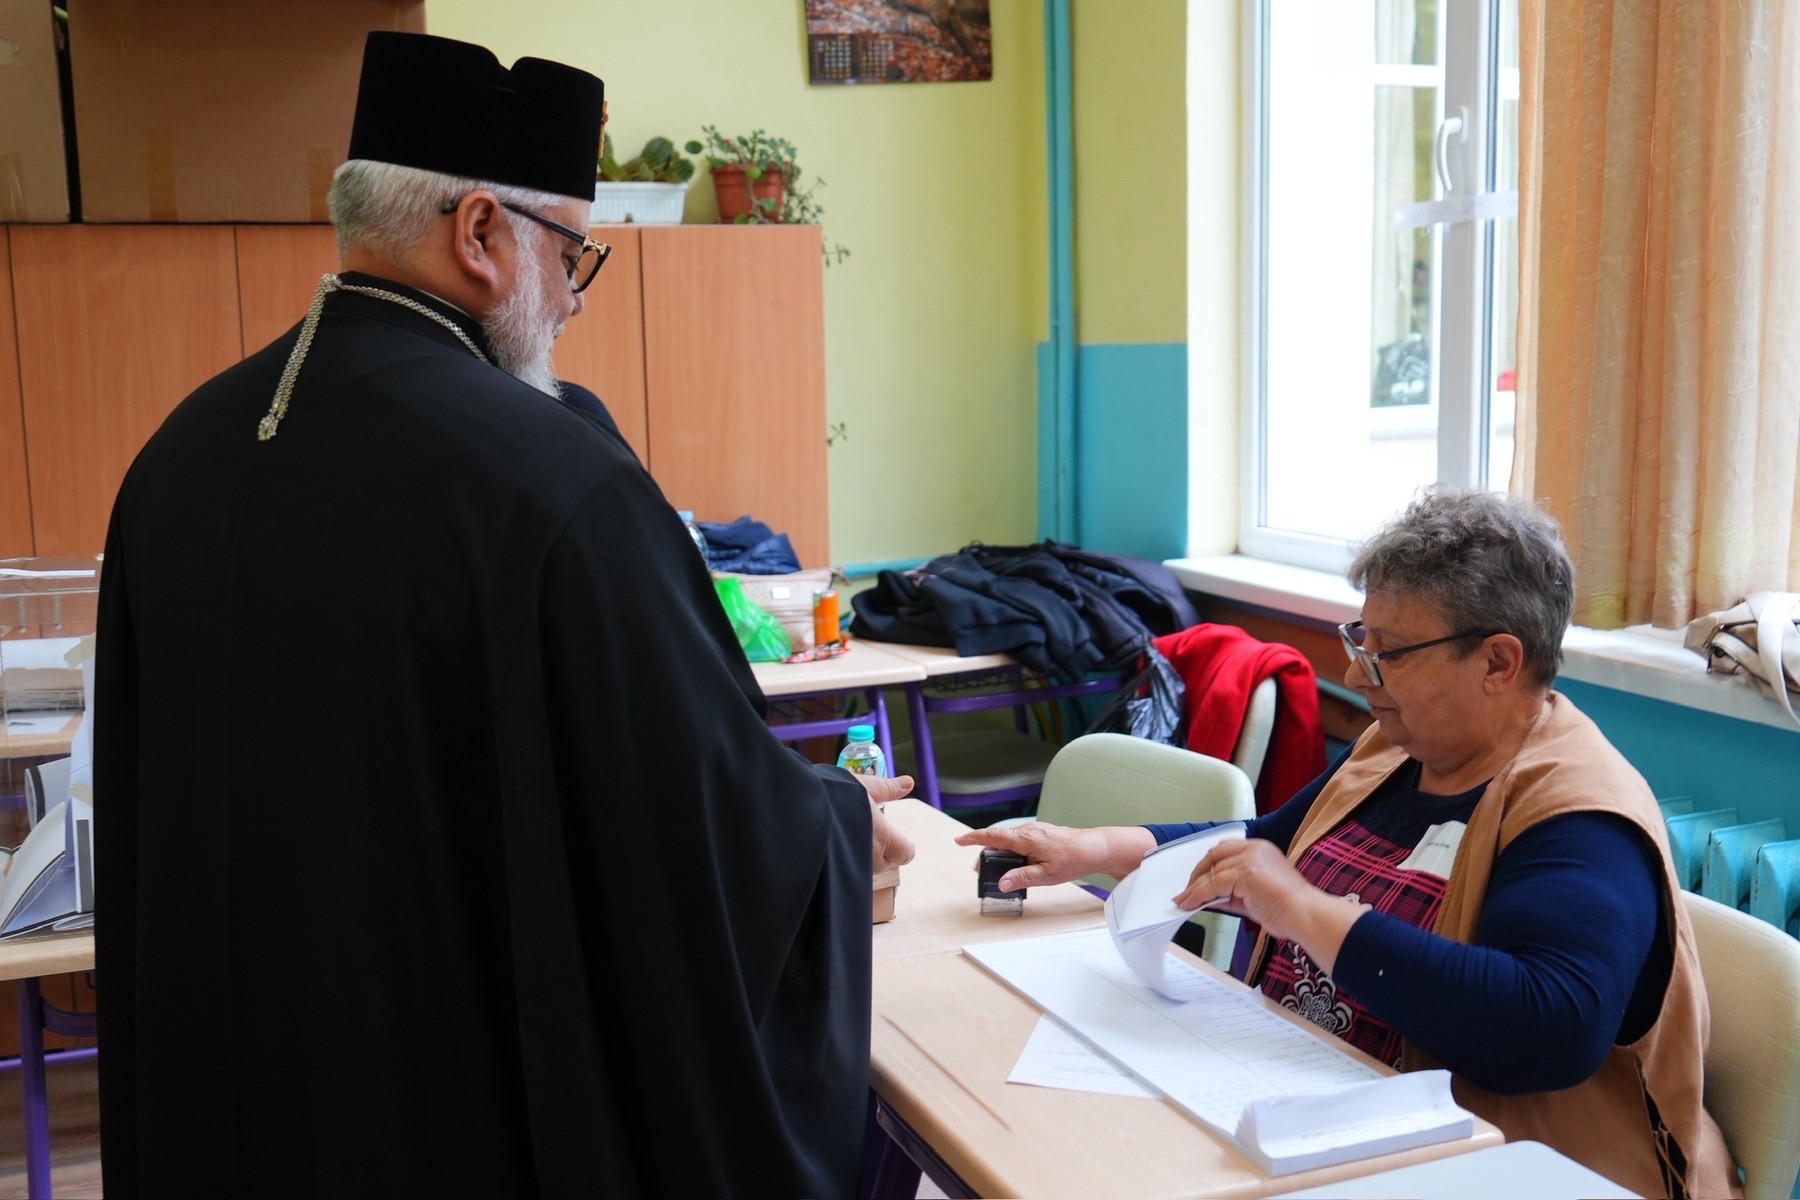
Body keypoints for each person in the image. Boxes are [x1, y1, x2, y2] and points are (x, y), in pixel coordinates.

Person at [95, 31, 914, 1197]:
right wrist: (829, 822)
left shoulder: (179, 458)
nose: (573, 301)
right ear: (480, 233)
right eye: (572, 254)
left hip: (239, 1103)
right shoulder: (551, 480)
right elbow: (689, 819)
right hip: (445, 1113)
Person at [959, 488, 1737, 1199]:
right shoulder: (1400, 747)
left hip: (1492, 1168)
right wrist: (1095, 847)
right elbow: (1268, 846)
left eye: (1389, 652)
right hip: (1324, 1122)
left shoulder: (1580, 813)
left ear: (1498, 661)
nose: (1358, 674)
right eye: (1361, 638)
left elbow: (1550, 1030)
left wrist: (1304, 910)